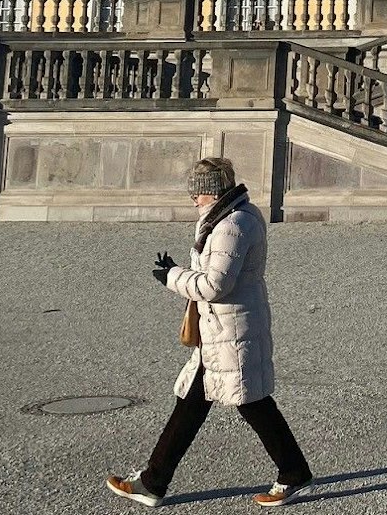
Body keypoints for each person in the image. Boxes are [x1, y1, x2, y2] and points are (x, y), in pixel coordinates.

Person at [106, 158, 313, 508]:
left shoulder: (233, 223)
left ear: (214, 191)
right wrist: (180, 270)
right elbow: (214, 272)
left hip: (231, 328)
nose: (194, 200)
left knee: (252, 403)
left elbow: (217, 284)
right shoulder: (227, 218)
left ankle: (294, 472)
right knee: (193, 403)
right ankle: (154, 481)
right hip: (221, 328)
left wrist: (172, 278)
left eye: (199, 193)